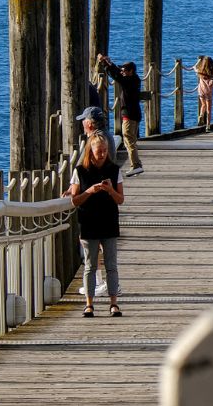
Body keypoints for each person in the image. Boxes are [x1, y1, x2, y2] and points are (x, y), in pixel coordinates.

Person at [67, 134, 124, 318]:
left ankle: (114, 303)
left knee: (111, 265)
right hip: (88, 222)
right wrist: (90, 191)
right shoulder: (80, 171)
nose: (102, 154)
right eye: (99, 151)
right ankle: (89, 304)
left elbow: (120, 199)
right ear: (90, 151)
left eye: (105, 151)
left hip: (109, 221)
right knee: (90, 265)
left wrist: (110, 190)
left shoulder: (114, 170)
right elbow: (75, 200)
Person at [97, 54, 145, 177]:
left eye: (125, 70)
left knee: (128, 139)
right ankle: (137, 164)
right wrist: (109, 63)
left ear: (131, 71)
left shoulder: (129, 81)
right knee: (131, 140)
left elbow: (117, 76)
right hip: (134, 114)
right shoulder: (134, 79)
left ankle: (136, 165)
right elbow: (118, 72)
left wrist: (105, 65)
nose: (122, 72)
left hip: (129, 115)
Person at [193, 55, 213, 131]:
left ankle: (201, 115)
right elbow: (211, 84)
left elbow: (195, 67)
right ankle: (208, 126)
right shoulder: (212, 74)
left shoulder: (200, 72)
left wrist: (198, 62)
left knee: (203, 105)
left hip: (201, 90)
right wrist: (212, 82)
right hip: (208, 92)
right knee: (209, 110)